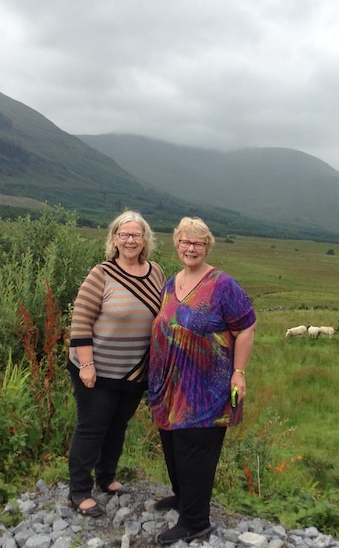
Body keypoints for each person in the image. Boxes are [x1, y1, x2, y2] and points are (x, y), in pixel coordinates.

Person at [148, 216, 257, 544]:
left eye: (197, 243)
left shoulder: (222, 284)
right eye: (185, 242)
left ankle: (196, 521)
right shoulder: (172, 283)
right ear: (177, 244)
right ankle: (183, 499)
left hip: (205, 388)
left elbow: (246, 327)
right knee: (172, 446)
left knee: (194, 451)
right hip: (169, 387)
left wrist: (239, 373)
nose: (190, 248)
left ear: (206, 246)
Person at [66, 211, 165, 517]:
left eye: (136, 235)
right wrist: (86, 365)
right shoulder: (102, 274)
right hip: (97, 368)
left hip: (136, 372)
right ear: (114, 239)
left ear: (145, 239)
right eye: (124, 234)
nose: (130, 240)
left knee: (117, 427)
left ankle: (105, 477)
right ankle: (79, 491)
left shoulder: (156, 272)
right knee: (92, 428)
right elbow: (81, 320)